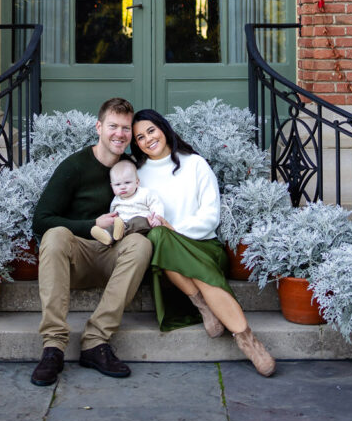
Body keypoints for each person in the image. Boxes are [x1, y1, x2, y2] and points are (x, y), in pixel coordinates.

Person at [131, 108, 276, 378]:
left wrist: (175, 230)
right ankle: (204, 306)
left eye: (151, 130)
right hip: (167, 254)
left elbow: (210, 216)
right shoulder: (139, 174)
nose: (148, 139)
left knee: (165, 238)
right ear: (136, 144)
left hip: (205, 248)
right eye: (140, 137)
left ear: (163, 128)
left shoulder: (195, 164)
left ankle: (247, 340)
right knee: (158, 236)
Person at [30, 97, 153, 386]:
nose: (119, 134)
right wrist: (90, 225)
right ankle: (53, 347)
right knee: (55, 234)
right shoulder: (74, 166)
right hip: (78, 257)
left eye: (125, 128)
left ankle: (95, 342)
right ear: (99, 127)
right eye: (113, 126)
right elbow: (41, 219)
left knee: (142, 244)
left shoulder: (131, 168)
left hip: (114, 256)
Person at [90, 160, 164, 245]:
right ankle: (107, 235)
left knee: (139, 220)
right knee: (113, 226)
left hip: (142, 225)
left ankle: (121, 231)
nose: (123, 187)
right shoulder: (116, 200)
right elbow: (113, 214)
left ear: (137, 182)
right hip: (121, 226)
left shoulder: (144, 194)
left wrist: (157, 219)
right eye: (117, 184)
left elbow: (156, 205)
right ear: (112, 186)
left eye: (127, 182)